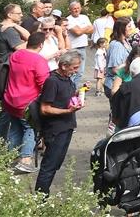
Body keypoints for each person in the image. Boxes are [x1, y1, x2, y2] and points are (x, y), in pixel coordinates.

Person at [1, 30, 51, 174]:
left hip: (10, 99)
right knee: (31, 129)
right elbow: (44, 83)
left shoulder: (15, 55)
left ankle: (11, 157)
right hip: (27, 103)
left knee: (15, 129)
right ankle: (26, 160)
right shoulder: (38, 60)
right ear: (40, 45)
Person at [35, 50, 84, 195]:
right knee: (49, 165)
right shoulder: (52, 81)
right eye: (74, 67)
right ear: (63, 65)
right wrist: (68, 112)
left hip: (66, 127)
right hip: (55, 129)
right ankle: (40, 197)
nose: (76, 71)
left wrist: (79, 93)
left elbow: (64, 96)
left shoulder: (67, 78)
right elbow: (45, 109)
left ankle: (43, 193)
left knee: (56, 163)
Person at [103, 17, 133, 100]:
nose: (131, 29)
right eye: (129, 27)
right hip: (115, 85)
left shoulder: (125, 42)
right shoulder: (116, 45)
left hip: (123, 84)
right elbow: (115, 69)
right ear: (122, 29)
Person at [65, 0, 93, 86]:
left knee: (80, 72)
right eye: (74, 9)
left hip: (83, 48)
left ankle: (74, 89)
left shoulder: (84, 17)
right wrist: (85, 28)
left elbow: (92, 29)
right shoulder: (68, 19)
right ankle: (69, 89)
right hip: (73, 49)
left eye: (78, 8)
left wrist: (81, 29)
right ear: (70, 10)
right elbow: (77, 33)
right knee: (72, 71)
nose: (76, 10)